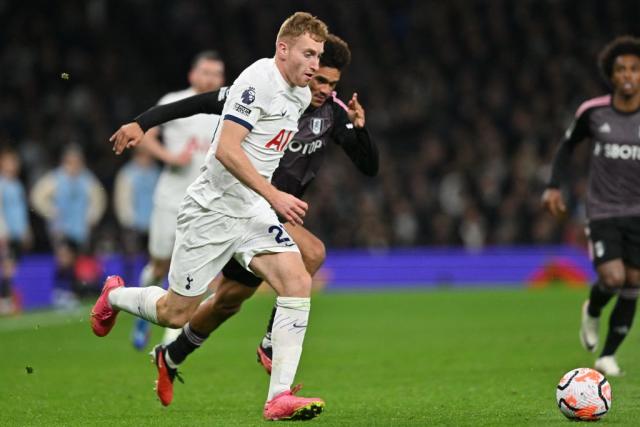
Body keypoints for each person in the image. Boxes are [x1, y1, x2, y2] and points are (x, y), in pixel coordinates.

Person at [111, 34, 377, 403]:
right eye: (318, 78)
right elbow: (198, 103)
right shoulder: (265, 91)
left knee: (225, 304)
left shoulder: (330, 114)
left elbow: (368, 166)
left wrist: (360, 129)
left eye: (332, 83)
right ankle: (270, 344)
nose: (323, 87)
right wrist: (143, 123)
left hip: (264, 216)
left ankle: (170, 356)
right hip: (245, 206)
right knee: (311, 254)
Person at [542, 35, 640, 377]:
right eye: (621, 69)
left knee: (634, 280)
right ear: (611, 76)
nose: (628, 75)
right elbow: (567, 147)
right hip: (603, 209)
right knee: (613, 277)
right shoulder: (594, 111)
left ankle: (608, 356)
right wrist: (554, 186)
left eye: (634, 69)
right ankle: (593, 310)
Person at [130, 51, 225, 350]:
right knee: (159, 263)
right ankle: (144, 309)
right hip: (171, 196)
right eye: (205, 72)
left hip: (206, 203)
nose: (210, 78)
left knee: (193, 271)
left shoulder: (229, 106)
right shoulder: (175, 100)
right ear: (192, 75)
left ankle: (170, 340)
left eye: (216, 73)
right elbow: (143, 134)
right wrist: (170, 157)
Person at [31, 144, 107, 308]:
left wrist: (91, 217)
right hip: (61, 227)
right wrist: (51, 211)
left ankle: (71, 292)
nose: (74, 164)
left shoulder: (86, 179)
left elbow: (99, 198)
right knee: (64, 259)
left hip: (79, 228)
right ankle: (60, 291)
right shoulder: (55, 178)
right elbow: (37, 196)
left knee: (75, 261)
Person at [113, 147, 160, 287]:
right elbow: (122, 198)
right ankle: (129, 285)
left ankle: (150, 286)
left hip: (153, 222)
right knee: (131, 257)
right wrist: (127, 219)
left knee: (153, 257)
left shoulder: (155, 172)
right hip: (133, 223)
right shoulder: (128, 173)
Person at [0, 149, 31, 315]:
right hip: (7, 233)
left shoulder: (17, 185)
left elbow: (21, 210)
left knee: (12, 267)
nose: (13, 165)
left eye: (14, 162)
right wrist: (2, 231)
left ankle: (8, 299)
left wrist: (26, 230)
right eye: (9, 162)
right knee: (7, 267)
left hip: (18, 232)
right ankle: (5, 300)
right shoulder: (2, 185)